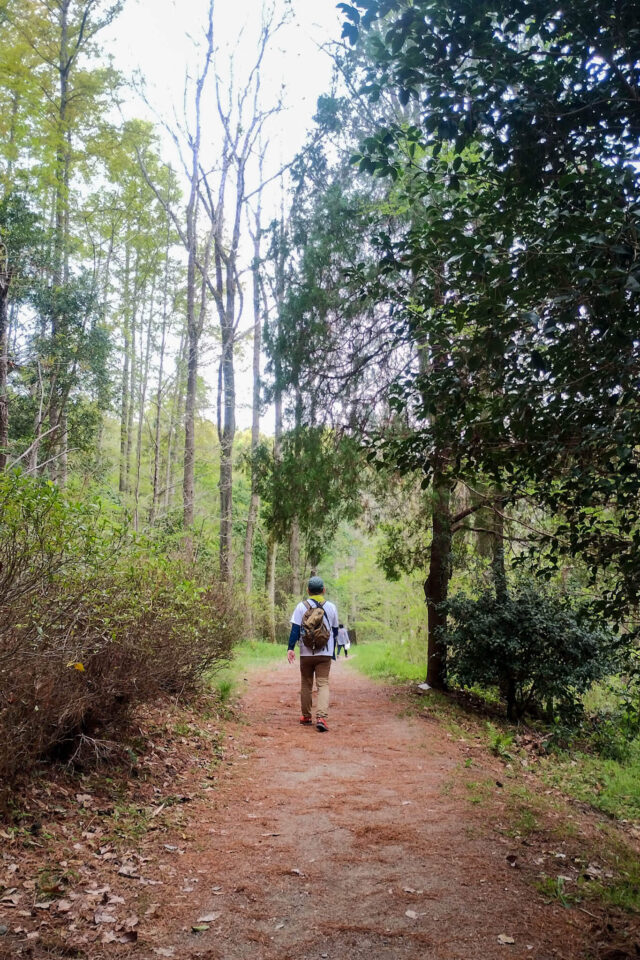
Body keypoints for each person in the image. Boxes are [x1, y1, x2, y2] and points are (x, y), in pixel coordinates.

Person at [287, 575, 339, 732]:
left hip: (306, 652)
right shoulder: (331, 607)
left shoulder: (301, 606)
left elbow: (295, 630)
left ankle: (306, 716)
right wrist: (333, 651)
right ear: (323, 590)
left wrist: (290, 648)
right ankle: (321, 717)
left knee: (306, 683)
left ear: (308, 590)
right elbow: (335, 631)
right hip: (325, 652)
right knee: (323, 683)